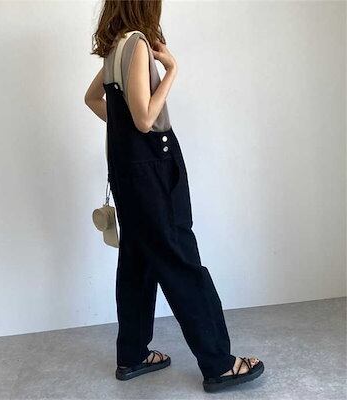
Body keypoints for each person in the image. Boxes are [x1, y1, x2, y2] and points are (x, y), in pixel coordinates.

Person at [84, 0, 264, 393]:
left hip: (128, 172)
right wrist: (172, 70)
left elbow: (93, 99)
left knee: (137, 262)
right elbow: (145, 119)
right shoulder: (136, 45)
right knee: (181, 260)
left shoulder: (114, 48)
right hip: (154, 168)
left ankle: (132, 355)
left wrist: (123, 128)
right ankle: (219, 364)